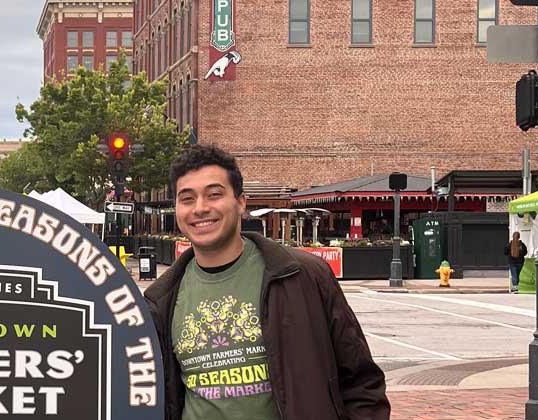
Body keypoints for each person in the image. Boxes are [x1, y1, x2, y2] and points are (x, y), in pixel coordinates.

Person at [144, 145, 390, 420]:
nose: (200, 208)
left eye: (214, 194)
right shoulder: (160, 299)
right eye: (187, 198)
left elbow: (362, 384)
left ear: (240, 202)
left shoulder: (304, 276)